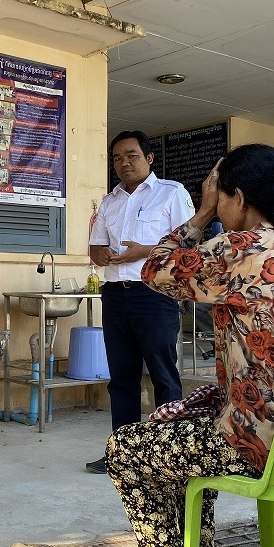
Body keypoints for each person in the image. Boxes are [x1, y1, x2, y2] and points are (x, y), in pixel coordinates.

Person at [106, 143, 274, 547]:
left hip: (266, 444)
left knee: (129, 447)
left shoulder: (244, 248)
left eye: (220, 196)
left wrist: (202, 212)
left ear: (236, 195)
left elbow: (155, 270)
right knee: (182, 441)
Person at [86, 130, 194, 474]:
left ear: (149, 158)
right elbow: (94, 246)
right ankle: (124, 452)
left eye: (131, 155)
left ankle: (169, 452)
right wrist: (100, 253)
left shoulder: (171, 193)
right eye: (117, 158)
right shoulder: (109, 201)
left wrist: (143, 251)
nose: (124, 163)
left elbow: (188, 245)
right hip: (116, 294)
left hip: (155, 294)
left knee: (163, 373)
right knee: (121, 376)